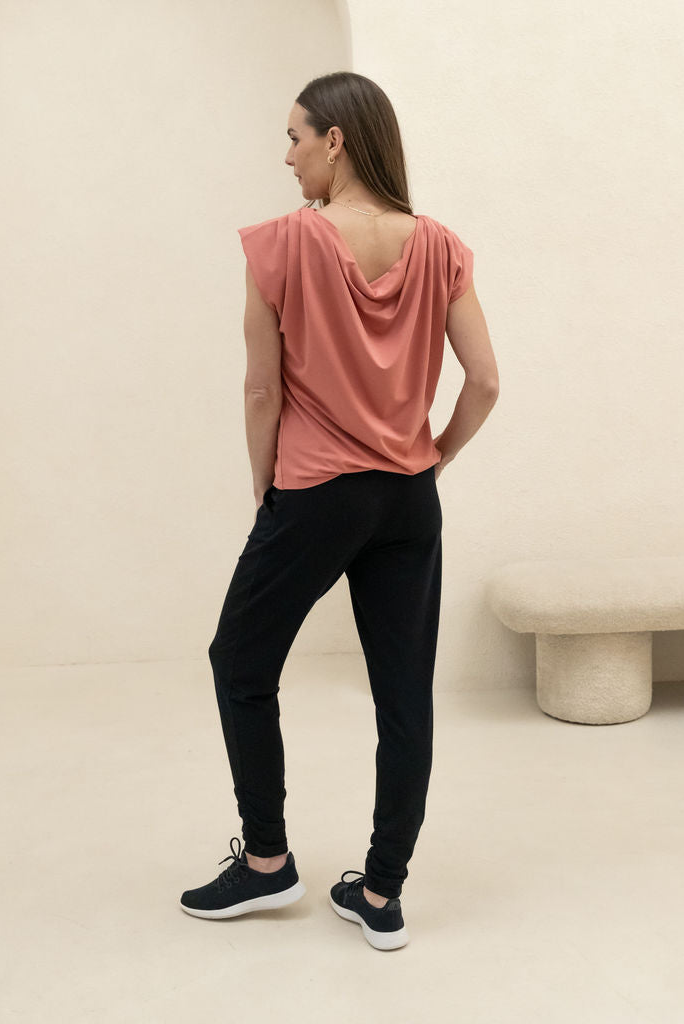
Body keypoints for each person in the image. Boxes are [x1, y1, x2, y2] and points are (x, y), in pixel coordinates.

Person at [179, 72, 498, 950]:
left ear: (336, 140)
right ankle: (382, 895)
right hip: (408, 500)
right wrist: (431, 457)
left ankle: (267, 863)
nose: (287, 157)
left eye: (295, 137)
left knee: (240, 660)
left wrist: (267, 487)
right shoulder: (441, 245)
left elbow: (261, 389)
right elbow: (485, 380)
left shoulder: (282, 245)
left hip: (316, 492)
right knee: (404, 696)